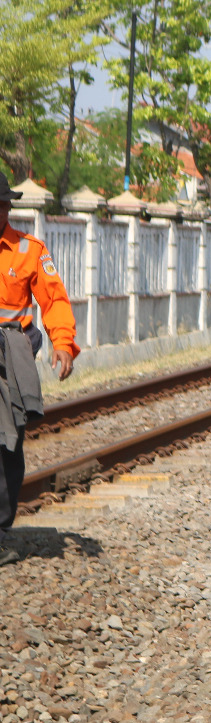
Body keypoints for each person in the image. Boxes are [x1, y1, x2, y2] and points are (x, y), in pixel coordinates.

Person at [0, 171, 79, 567]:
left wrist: (63, 342)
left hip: (10, 362)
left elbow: (54, 300)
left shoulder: (29, 250)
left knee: (7, 442)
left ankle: (0, 529)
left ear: (7, 207)